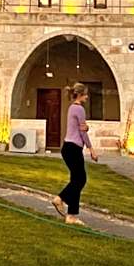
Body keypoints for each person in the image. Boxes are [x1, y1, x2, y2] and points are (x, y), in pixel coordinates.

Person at [51, 82, 98, 225]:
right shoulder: (79, 109)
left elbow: (81, 128)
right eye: (85, 94)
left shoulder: (72, 108)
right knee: (80, 180)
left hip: (68, 148)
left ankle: (71, 216)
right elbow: (82, 132)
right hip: (73, 148)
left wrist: (86, 128)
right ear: (80, 94)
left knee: (76, 180)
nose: (87, 97)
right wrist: (91, 149)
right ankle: (60, 199)